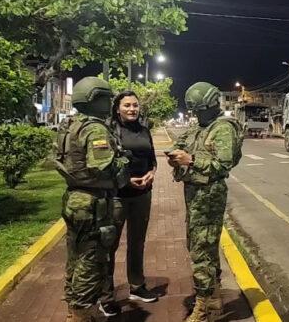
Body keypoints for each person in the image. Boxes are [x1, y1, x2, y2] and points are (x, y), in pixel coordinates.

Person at [167, 82, 243, 322]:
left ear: (212, 105)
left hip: (209, 195)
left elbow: (223, 165)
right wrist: (176, 156)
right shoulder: (200, 127)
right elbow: (180, 144)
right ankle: (213, 297)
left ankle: (204, 307)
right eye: (194, 111)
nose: (197, 114)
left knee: (202, 251)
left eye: (200, 110)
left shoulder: (222, 129)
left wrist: (191, 160)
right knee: (201, 247)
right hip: (195, 195)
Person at [55, 77, 128, 322]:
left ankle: (75, 308)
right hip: (92, 202)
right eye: (107, 97)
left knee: (75, 256)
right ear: (94, 99)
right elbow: (102, 168)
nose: (110, 102)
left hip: (75, 199)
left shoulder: (70, 125)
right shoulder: (95, 128)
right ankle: (83, 312)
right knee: (91, 260)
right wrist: (123, 162)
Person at [99, 91, 159, 317]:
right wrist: (124, 180)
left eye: (135, 105)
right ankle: (105, 296)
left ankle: (137, 286)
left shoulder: (144, 130)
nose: (132, 109)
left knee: (137, 242)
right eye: (127, 105)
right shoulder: (109, 131)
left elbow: (152, 158)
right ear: (117, 108)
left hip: (143, 194)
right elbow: (103, 164)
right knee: (109, 245)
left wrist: (152, 173)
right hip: (117, 195)